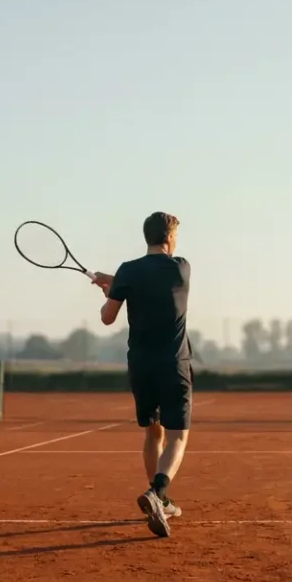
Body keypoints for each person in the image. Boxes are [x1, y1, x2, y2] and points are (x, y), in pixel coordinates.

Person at [91, 211, 192, 538]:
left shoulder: (127, 271)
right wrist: (118, 283)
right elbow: (152, 286)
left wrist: (113, 288)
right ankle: (158, 493)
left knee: (153, 433)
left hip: (141, 365)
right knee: (178, 435)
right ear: (169, 238)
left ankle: (160, 501)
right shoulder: (181, 268)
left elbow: (107, 318)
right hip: (173, 365)